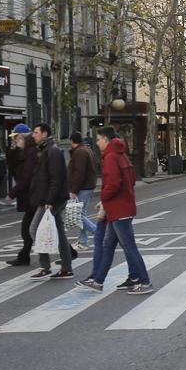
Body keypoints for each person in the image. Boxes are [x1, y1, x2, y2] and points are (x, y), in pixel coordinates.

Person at [76, 127, 152, 294]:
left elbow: (113, 184)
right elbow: (130, 180)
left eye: (98, 139)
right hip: (121, 207)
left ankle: (144, 281)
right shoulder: (122, 155)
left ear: (105, 139)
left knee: (129, 246)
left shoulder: (111, 157)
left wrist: (103, 199)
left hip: (119, 210)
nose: (97, 143)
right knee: (108, 244)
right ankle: (98, 281)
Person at [26, 123, 73, 280]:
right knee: (59, 232)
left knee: (35, 229)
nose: (34, 135)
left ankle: (45, 266)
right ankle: (66, 267)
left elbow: (56, 177)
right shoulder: (46, 150)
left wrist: (49, 200)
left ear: (45, 134)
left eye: (36, 132)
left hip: (52, 199)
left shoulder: (52, 151)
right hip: (50, 198)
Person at [6, 126, 38, 265]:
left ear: (22, 137)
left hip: (35, 195)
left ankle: (24, 256)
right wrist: (13, 150)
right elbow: (14, 169)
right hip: (30, 195)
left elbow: (26, 176)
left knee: (31, 228)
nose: (13, 139)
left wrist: (12, 194)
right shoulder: (23, 151)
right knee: (29, 228)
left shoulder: (31, 151)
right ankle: (24, 256)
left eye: (16, 137)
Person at [67, 131, 98, 250]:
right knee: (81, 214)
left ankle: (97, 232)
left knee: (76, 215)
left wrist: (74, 189)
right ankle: (83, 241)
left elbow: (79, 173)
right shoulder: (85, 150)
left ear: (71, 141)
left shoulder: (80, 152)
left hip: (82, 187)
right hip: (87, 186)